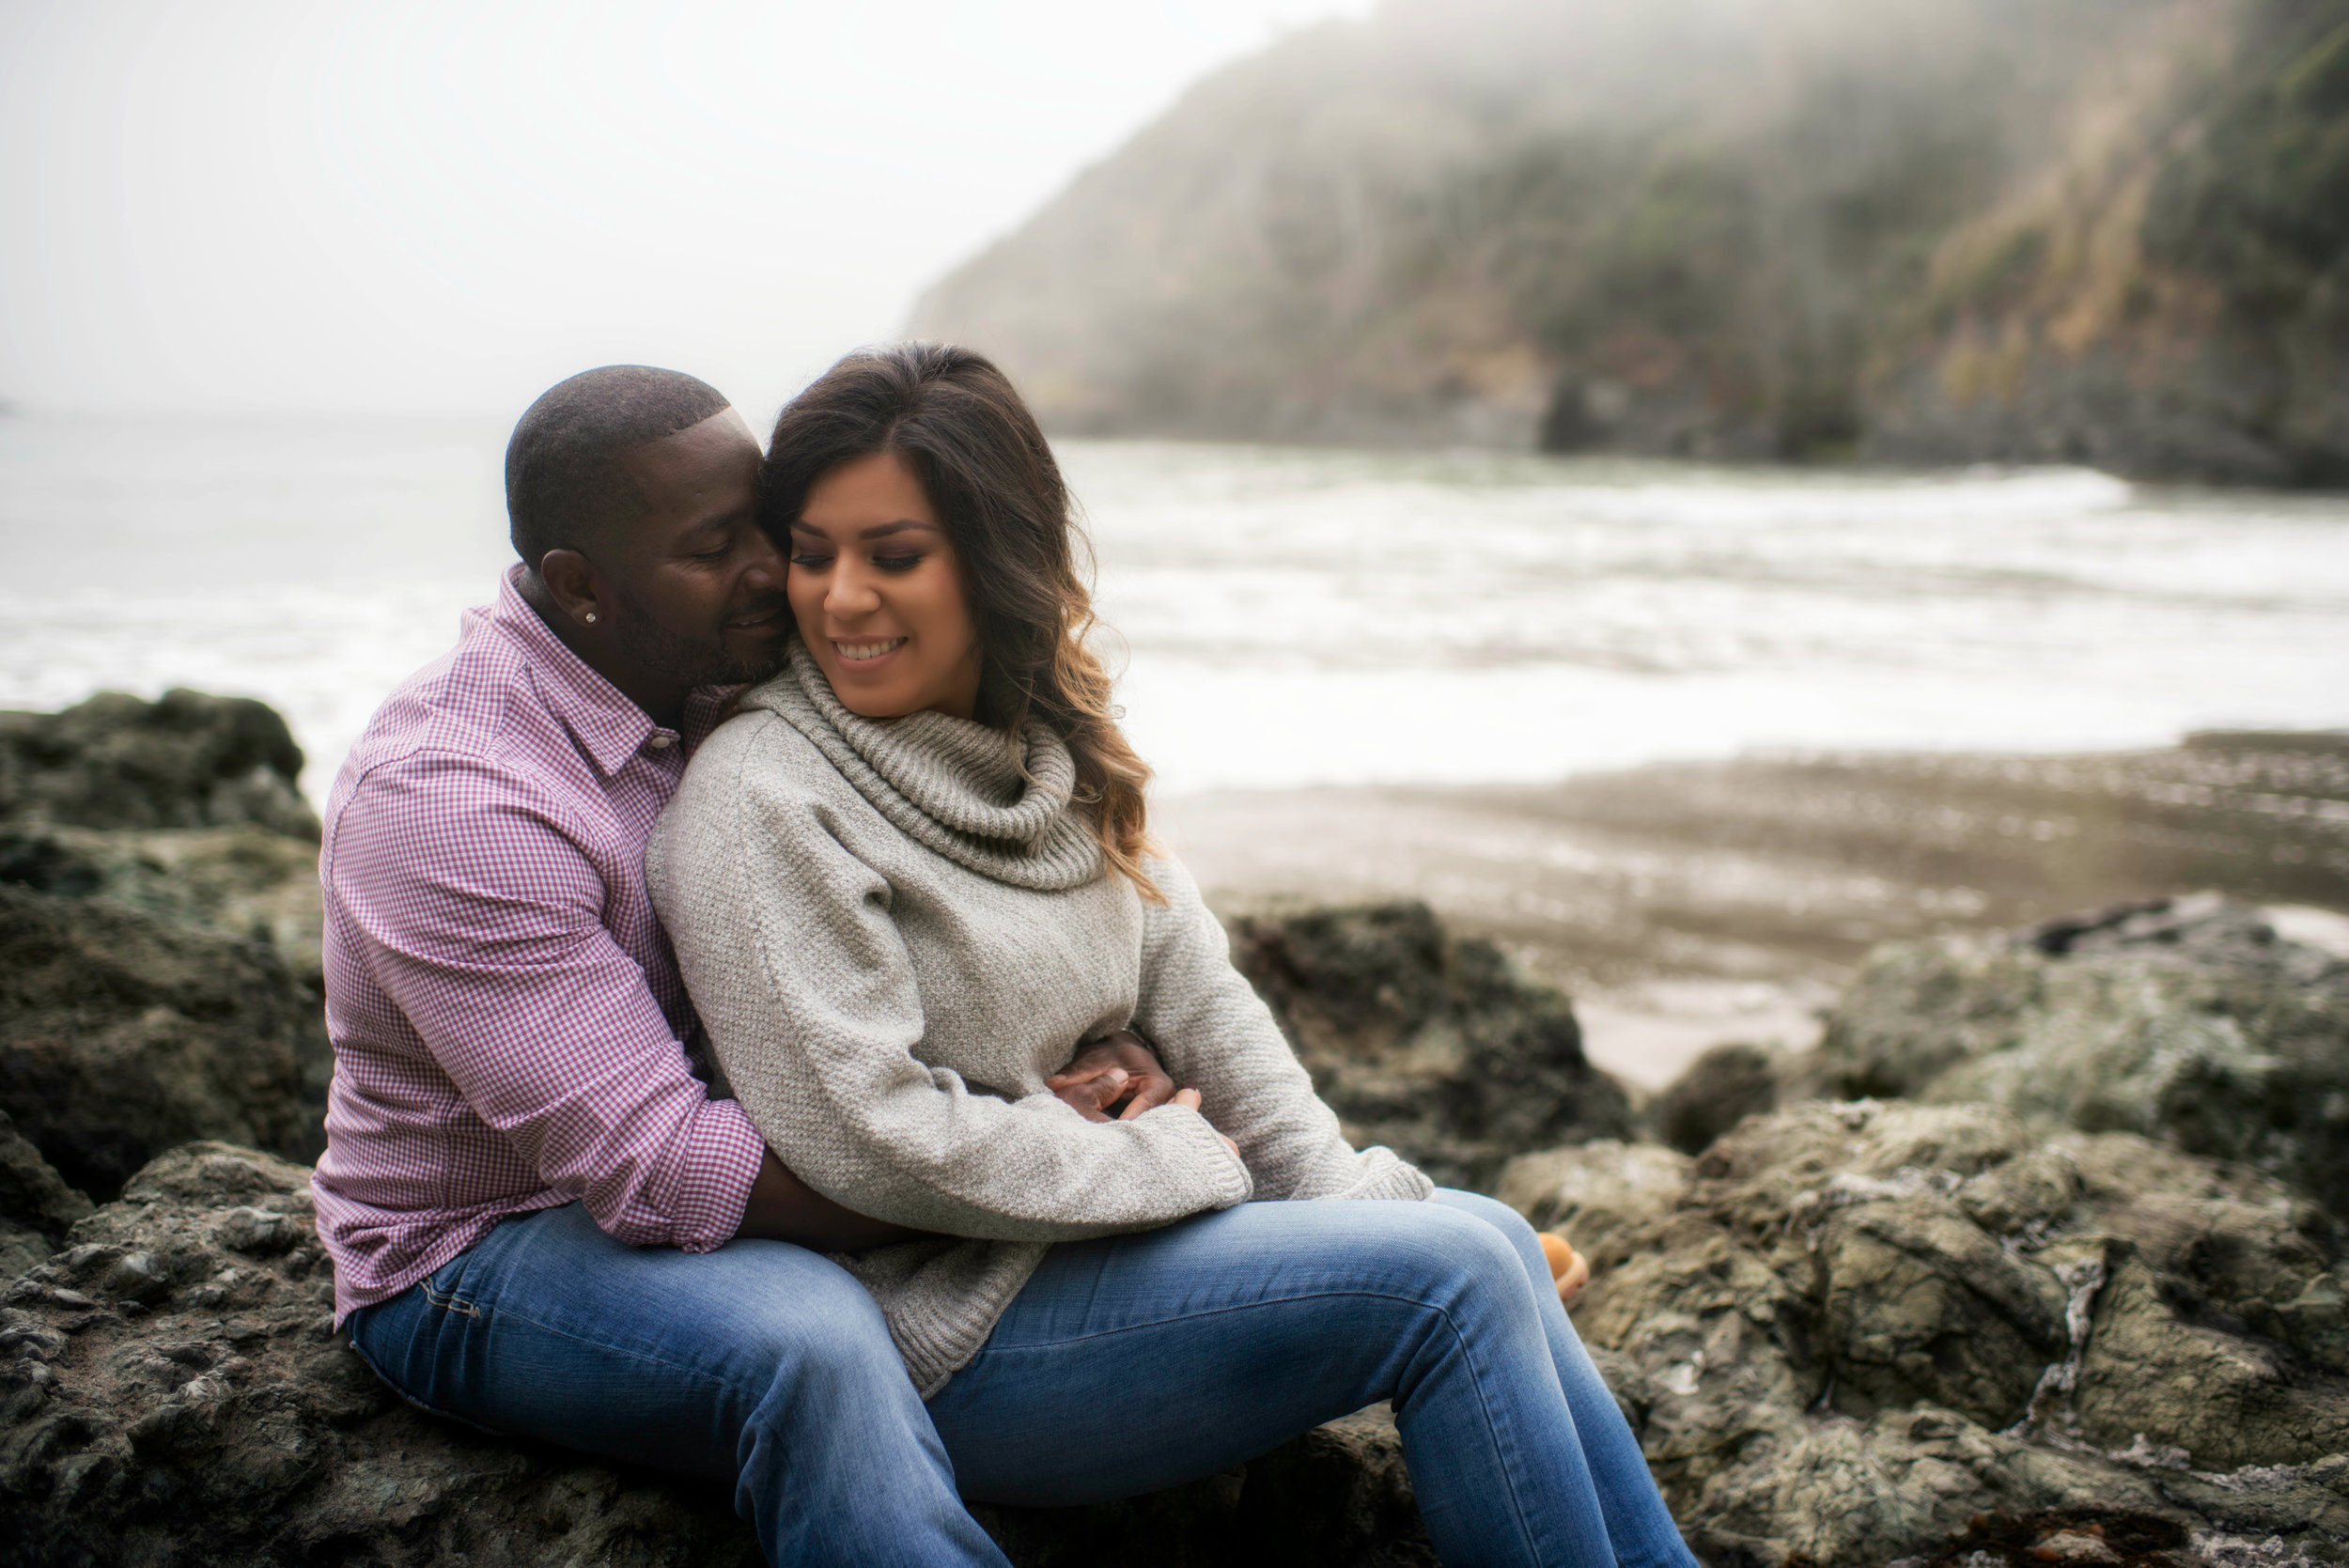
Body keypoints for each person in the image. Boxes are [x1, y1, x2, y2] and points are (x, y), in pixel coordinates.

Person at [647, 343, 1700, 1568]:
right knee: (1453, 1276)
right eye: (813, 553)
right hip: (949, 1337)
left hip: (1102, 1261)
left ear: (994, 563)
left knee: (1489, 1242)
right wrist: (1173, 1153)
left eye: (894, 556)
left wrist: (1328, 1186)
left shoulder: (1044, 747)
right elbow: (866, 1138)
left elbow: (1192, 982)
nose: (840, 600)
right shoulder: (760, 801)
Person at [313, 364, 1184, 1567]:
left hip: (794, 1149)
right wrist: (1053, 1145)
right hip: (483, 1246)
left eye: (767, 530)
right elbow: (665, 1171)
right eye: (716, 547)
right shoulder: (459, 798)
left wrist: (1091, 1036)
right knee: (809, 1340)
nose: (779, 576)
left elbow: (959, 889)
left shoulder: (718, 678)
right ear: (580, 588)